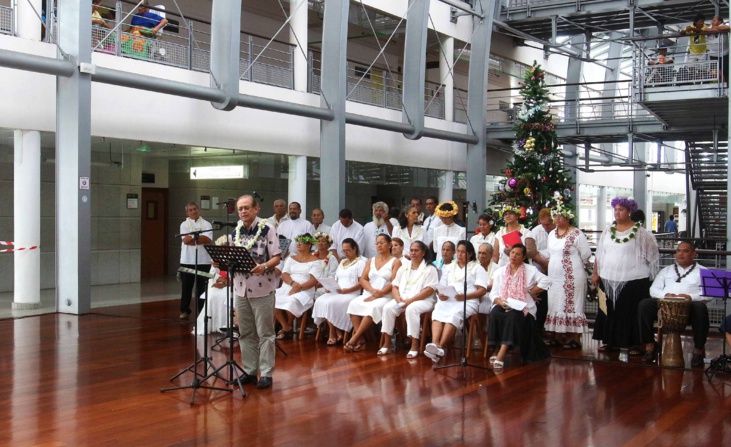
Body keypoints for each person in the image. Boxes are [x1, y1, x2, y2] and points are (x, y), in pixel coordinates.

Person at [591, 197, 659, 354]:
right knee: (608, 310)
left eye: (621, 209)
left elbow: (652, 254)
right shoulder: (608, 231)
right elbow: (600, 254)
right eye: (615, 209)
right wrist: (595, 273)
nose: (617, 212)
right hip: (607, 277)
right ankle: (610, 341)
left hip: (634, 280)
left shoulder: (641, 233)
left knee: (631, 312)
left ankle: (636, 344)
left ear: (630, 211)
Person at [228, 195, 281, 389]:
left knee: (265, 333)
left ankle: (266, 374)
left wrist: (264, 266)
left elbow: (277, 257)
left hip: (262, 289)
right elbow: (231, 258)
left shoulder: (267, 229)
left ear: (256, 209)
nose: (243, 211)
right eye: (240, 209)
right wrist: (220, 262)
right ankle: (250, 371)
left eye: (246, 208)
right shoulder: (235, 232)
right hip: (241, 289)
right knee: (245, 333)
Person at [638, 241, 709, 367]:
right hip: (665, 306)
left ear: (694, 254)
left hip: (690, 307)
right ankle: (650, 345)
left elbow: (709, 293)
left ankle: (698, 350)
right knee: (644, 304)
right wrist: (666, 296)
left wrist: (691, 297)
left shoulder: (703, 271)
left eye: (685, 251)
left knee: (700, 307)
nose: (681, 254)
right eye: (678, 251)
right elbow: (653, 290)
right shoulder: (666, 270)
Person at [488, 244, 551, 370]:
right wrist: (500, 302)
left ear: (523, 257)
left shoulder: (530, 270)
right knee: (495, 313)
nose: (514, 256)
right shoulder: (500, 271)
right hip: (504, 302)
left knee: (513, 316)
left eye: (517, 254)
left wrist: (531, 291)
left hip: (523, 306)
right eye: (512, 253)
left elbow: (547, 281)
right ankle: (495, 349)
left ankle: (501, 354)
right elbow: (493, 293)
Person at [425, 241, 487, 363]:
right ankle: (435, 343)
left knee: (454, 315)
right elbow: (441, 285)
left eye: (463, 252)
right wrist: (440, 293)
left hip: (468, 300)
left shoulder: (477, 268)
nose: (459, 254)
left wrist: (465, 296)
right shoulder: (449, 267)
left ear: (470, 254)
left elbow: (482, 290)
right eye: (458, 251)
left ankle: (440, 346)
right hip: (449, 299)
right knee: (437, 312)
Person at [542, 202, 592, 349]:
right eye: (555, 216)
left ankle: (575, 338)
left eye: (560, 215)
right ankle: (557, 336)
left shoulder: (576, 234)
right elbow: (549, 253)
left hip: (572, 275)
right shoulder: (552, 234)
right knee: (555, 303)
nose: (557, 218)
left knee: (572, 305)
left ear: (568, 217)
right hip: (554, 277)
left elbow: (586, 254)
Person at [379, 241, 438, 358]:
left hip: (424, 301)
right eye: (411, 250)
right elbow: (394, 286)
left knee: (411, 309)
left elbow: (429, 290)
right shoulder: (404, 268)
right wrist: (397, 299)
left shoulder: (430, 269)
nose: (413, 253)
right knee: (388, 308)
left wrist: (410, 301)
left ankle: (414, 344)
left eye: (416, 250)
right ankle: (387, 342)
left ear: (423, 253)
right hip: (402, 300)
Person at [345, 234, 401, 352]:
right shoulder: (371, 260)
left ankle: (354, 338)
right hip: (369, 293)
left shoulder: (395, 262)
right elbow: (363, 279)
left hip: (386, 295)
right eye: (377, 243)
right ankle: (361, 339)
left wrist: (379, 293)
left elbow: (395, 282)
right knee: (354, 303)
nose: (379, 245)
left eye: (382, 243)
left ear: (389, 244)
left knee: (373, 307)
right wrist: (372, 291)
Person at [312, 239, 366, 345]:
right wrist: (329, 287)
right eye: (343, 251)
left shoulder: (360, 263)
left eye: (348, 250)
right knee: (321, 300)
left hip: (351, 293)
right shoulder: (342, 262)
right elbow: (336, 279)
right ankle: (336, 331)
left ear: (354, 249)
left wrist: (348, 290)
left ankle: (333, 332)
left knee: (330, 303)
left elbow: (361, 283)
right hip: (338, 291)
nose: (345, 253)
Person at [273, 234, 322, 339]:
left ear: (309, 245)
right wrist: (293, 284)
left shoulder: (315, 261)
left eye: (302, 242)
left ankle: (289, 324)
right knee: (271, 298)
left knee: (291, 301)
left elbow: (313, 280)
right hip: (288, 286)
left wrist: (298, 288)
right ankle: (285, 326)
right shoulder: (291, 258)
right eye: (298, 242)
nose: (298, 244)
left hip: (305, 290)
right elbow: (284, 274)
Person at [178, 202, 213, 320]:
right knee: (186, 287)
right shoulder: (184, 225)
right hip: (187, 261)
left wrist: (193, 238)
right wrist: (197, 238)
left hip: (204, 261)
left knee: (202, 288)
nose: (193, 211)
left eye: (195, 209)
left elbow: (207, 239)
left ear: (198, 210)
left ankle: (202, 311)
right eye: (190, 210)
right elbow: (185, 240)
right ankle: (184, 310)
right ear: (187, 213)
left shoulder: (207, 224)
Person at [530, 207, 555, 332]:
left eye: (548, 224)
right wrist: (544, 264)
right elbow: (532, 251)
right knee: (541, 301)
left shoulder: (558, 231)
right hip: (540, 269)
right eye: (543, 224)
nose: (545, 227)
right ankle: (539, 329)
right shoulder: (535, 231)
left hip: (555, 268)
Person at [193, 268, 230, 335]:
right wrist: (223, 281)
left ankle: (229, 325)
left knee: (228, 296)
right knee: (211, 295)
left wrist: (226, 283)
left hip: (234, 286)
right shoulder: (216, 263)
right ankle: (214, 325)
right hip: (221, 282)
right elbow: (212, 274)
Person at [705, 15, 730, 83]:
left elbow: (727, 28)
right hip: (713, 54)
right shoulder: (710, 26)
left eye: (714, 20)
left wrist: (716, 28)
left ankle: (726, 83)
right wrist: (714, 29)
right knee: (714, 71)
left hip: (724, 53)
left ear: (720, 21)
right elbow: (705, 29)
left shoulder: (724, 25)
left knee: (725, 70)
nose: (712, 22)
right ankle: (715, 83)